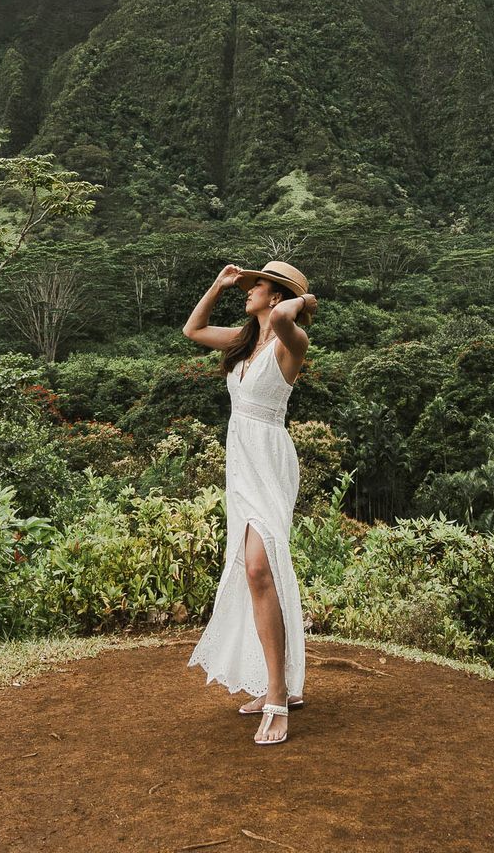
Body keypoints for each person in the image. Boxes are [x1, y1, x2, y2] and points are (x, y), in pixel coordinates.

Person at [183, 260, 317, 745]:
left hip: (270, 459)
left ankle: (278, 696)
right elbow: (192, 328)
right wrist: (218, 285)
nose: (248, 290)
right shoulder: (243, 345)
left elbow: (286, 319)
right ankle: (275, 683)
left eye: (254, 285)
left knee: (262, 568)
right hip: (239, 462)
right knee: (252, 570)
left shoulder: (289, 342)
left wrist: (302, 301)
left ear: (276, 294)